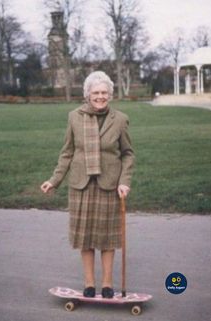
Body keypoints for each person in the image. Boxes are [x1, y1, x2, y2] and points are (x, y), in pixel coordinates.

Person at [41, 71, 134, 298]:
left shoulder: (120, 119)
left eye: (104, 92)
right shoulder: (74, 117)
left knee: (107, 238)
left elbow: (128, 154)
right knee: (85, 238)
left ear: (110, 95)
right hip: (81, 184)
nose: (100, 96)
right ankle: (90, 284)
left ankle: (108, 284)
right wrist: (54, 181)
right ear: (87, 94)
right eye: (96, 92)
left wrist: (124, 181)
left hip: (109, 184)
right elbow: (67, 153)